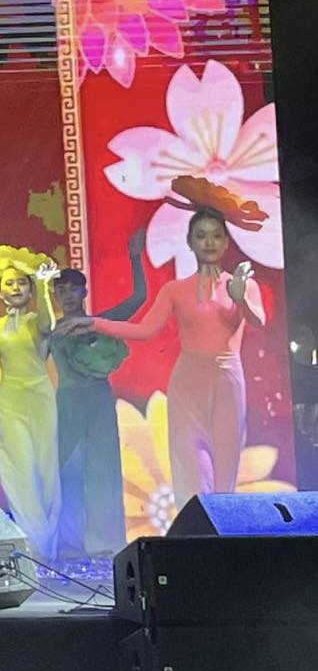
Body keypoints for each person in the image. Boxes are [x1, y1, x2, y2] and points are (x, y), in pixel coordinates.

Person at [68, 177, 269, 501]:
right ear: (189, 242)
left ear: (227, 243)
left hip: (228, 383)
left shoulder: (243, 285)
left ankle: (225, 533)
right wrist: (96, 324)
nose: (209, 242)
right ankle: (193, 532)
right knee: (190, 472)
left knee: (225, 473)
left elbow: (259, 320)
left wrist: (240, 296)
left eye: (217, 235)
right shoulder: (175, 290)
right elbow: (145, 330)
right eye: (201, 235)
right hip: (187, 383)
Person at [47, 234, 148, 556]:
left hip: (100, 401)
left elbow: (139, 297)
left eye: (73, 289)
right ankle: (70, 544)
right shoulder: (50, 331)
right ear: (53, 295)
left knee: (104, 470)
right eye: (61, 290)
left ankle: (107, 544)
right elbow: (28, 366)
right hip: (68, 403)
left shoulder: (101, 322)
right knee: (68, 470)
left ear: (84, 292)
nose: (67, 295)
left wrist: (135, 258)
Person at [0, 247, 62, 555]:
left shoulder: (37, 320)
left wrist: (43, 285)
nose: (15, 288)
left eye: (21, 283)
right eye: (9, 283)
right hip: (10, 401)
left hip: (40, 398)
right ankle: (33, 542)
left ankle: (49, 543)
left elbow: (48, 326)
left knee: (46, 468)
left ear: (30, 287)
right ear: (0, 290)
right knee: (18, 469)